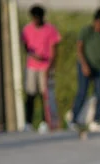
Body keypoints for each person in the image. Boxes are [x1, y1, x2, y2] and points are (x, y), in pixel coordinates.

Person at [66, 7, 100, 133]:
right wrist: (84, 65)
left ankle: (96, 120)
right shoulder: (86, 31)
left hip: (99, 68)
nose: (99, 26)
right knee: (82, 93)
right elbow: (79, 49)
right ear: (94, 21)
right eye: (98, 23)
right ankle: (73, 119)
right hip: (86, 66)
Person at [21, 4, 61, 133]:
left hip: (45, 66)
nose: (35, 21)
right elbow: (25, 45)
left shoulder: (50, 29)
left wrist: (51, 66)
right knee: (30, 94)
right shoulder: (27, 29)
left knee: (45, 96)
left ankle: (45, 122)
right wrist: (32, 54)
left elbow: (54, 49)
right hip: (32, 66)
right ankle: (28, 122)